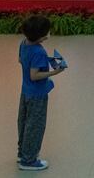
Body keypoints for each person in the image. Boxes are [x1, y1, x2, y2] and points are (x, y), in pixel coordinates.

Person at [17, 15, 64, 171]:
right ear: (42, 36)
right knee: (35, 125)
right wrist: (54, 72)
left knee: (24, 122)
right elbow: (35, 75)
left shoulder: (23, 44)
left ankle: (22, 152)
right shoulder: (39, 52)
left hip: (25, 91)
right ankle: (29, 160)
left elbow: (21, 61)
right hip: (37, 94)